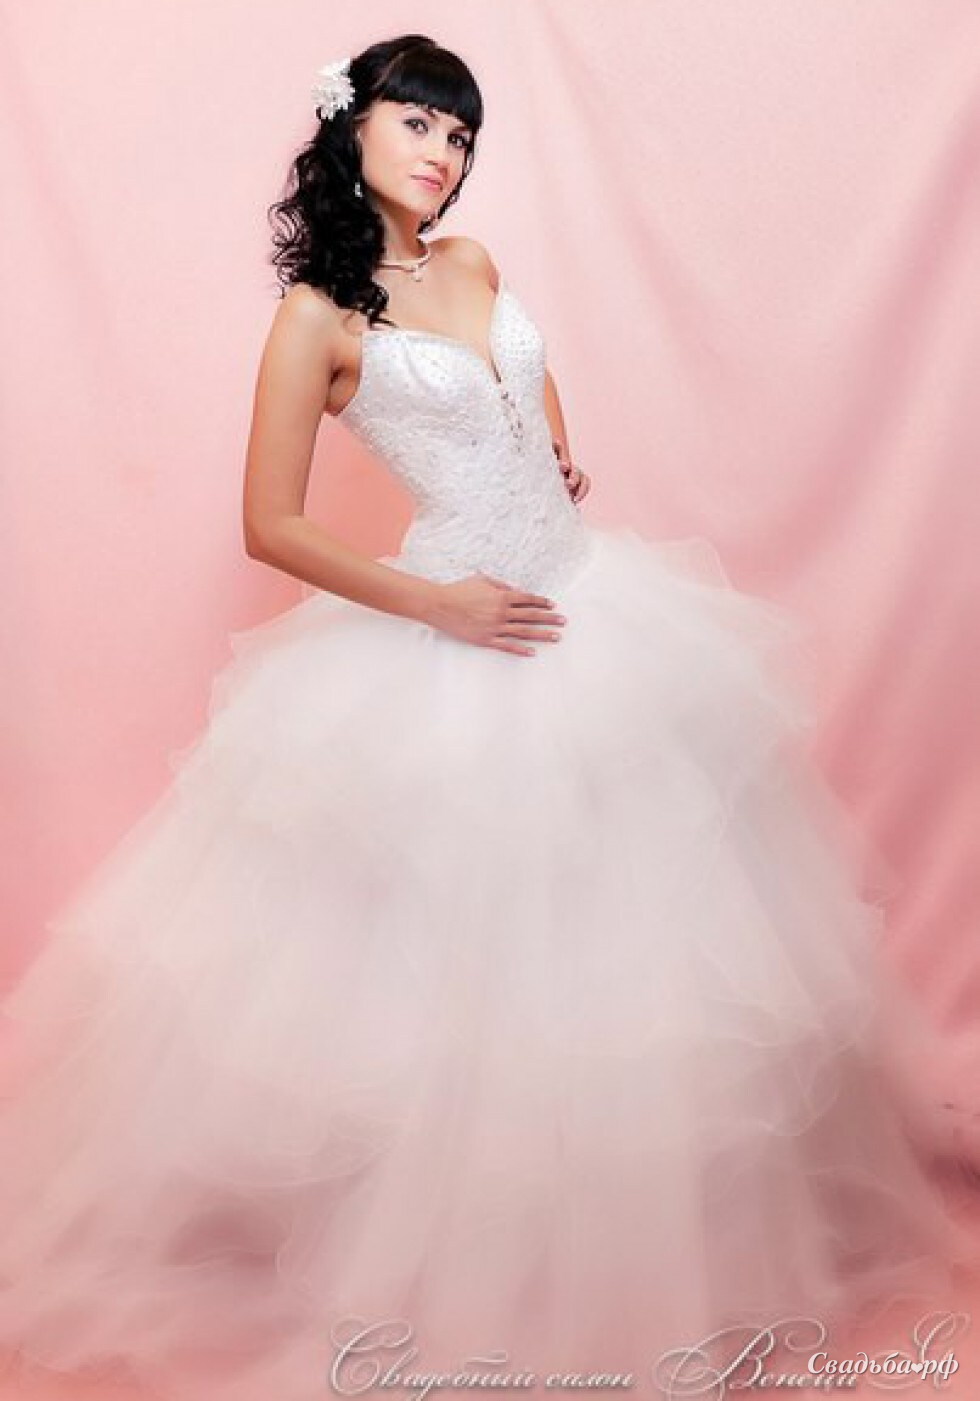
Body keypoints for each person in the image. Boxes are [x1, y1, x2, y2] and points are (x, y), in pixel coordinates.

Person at [0, 32, 974, 1401]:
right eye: (418, 122)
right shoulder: (316, 317)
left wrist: (551, 443)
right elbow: (269, 522)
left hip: (593, 610)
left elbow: (518, 366)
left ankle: (638, 1250)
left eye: (460, 136)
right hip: (456, 627)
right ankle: (465, 1269)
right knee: (465, 981)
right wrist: (436, 602)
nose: (442, 154)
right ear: (352, 129)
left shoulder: (471, 262)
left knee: (642, 959)